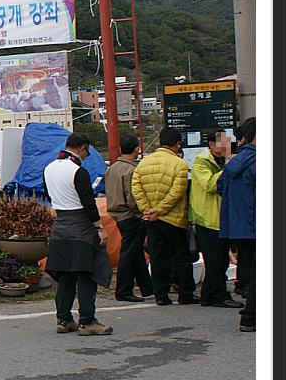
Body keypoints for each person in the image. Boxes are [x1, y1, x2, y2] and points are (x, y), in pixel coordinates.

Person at [43, 133, 113, 335]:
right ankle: (87, 321)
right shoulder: (78, 171)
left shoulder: (49, 168)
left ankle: (64, 319)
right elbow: (89, 204)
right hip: (80, 226)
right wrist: (100, 228)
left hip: (60, 226)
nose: (87, 154)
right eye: (87, 151)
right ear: (82, 148)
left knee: (65, 276)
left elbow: (49, 195)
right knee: (86, 274)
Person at [131, 128, 198, 306]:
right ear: (177, 144)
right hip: (174, 219)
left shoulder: (143, 164)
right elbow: (177, 193)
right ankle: (185, 294)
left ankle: (160, 295)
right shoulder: (180, 164)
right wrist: (159, 210)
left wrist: (148, 210)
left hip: (151, 219)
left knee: (157, 257)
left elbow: (136, 189)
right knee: (181, 257)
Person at [188, 130, 243, 308]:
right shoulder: (201, 164)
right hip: (207, 219)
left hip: (222, 218)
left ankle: (208, 295)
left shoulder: (220, 161)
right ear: (211, 144)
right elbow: (210, 185)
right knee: (216, 260)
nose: (228, 146)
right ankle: (220, 295)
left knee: (219, 259)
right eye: (224, 143)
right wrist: (228, 167)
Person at [105, 134, 154, 303]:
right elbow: (132, 196)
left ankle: (147, 287)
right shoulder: (131, 170)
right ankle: (124, 290)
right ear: (136, 150)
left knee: (135, 252)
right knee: (129, 252)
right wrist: (142, 212)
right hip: (130, 215)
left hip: (116, 214)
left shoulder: (112, 168)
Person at [217, 117, 256, 332]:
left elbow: (220, 186)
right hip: (256, 222)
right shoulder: (259, 160)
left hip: (237, 225)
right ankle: (251, 316)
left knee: (251, 268)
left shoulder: (234, 160)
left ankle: (250, 314)